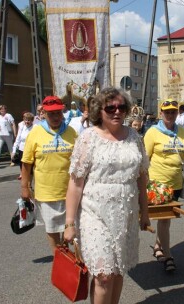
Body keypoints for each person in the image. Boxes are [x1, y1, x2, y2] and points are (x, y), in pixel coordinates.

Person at [63, 87, 150, 304]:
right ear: (99, 110)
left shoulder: (134, 137)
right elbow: (75, 185)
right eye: (110, 107)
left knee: (119, 270)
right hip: (95, 213)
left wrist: (145, 212)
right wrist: (69, 223)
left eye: (121, 107)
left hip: (126, 213)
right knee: (104, 274)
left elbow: (141, 178)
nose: (116, 111)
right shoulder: (88, 138)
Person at [143, 99, 184, 273]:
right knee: (164, 219)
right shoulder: (153, 133)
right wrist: (144, 182)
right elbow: (144, 159)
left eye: (173, 112)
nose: (170, 115)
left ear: (177, 114)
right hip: (159, 184)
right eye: (167, 112)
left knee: (167, 220)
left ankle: (157, 245)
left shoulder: (182, 133)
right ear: (161, 113)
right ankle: (168, 255)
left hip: (176, 183)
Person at [20, 96, 78, 252]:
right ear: (43, 114)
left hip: (70, 191)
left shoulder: (71, 132)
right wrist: (25, 187)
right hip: (46, 192)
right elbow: (26, 163)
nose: (56, 117)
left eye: (58, 113)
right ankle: (58, 259)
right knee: (53, 230)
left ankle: (67, 260)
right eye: (51, 114)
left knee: (70, 229)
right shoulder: (36, 133)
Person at [12, 112, 34, 179]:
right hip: (22, 149)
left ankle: (29, 184)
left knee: (30, 168)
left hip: (30, 150)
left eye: (29, 120)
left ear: (32, 120)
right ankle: (25, 183)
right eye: (26, 120)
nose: (27, 121)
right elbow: (18, 139)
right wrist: (14, 151)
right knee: (23, 167)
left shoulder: (35, 127)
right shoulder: (22, 127)